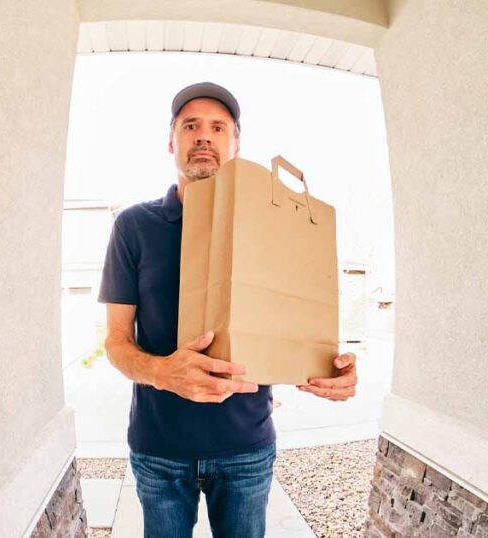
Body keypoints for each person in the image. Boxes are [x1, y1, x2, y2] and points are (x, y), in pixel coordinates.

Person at [98, 81, 358, 538]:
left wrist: (328, 370)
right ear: (172, 142)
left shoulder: (273, 226)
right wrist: (162, 373)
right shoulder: (134, 226)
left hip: (246, 450)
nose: (204, 136)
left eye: (218, 127)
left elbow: (291, 329)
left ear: (235, 145)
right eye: (190, 126)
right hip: (160, 451)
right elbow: (116, 344)